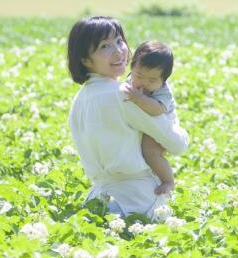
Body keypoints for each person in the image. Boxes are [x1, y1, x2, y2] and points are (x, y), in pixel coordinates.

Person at [66, 16, 189, 218]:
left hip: (98, 199)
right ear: (85, 59)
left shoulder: (79, 100)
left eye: (119, 41)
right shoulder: (125, 95)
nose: (118, 51)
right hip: (138, 201)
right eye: (105, 46)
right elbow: (177, 144)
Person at [122, 40, 179, 196]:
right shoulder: (131, 81)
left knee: (150, 152)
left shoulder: (163, 92)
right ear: (132, 67)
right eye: (139, 75)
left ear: (163, 80)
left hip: (164, 123)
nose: (143, 83)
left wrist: (139, 99)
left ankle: (168, 181)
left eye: (152, 80)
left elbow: (157, 110)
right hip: (143, 121)